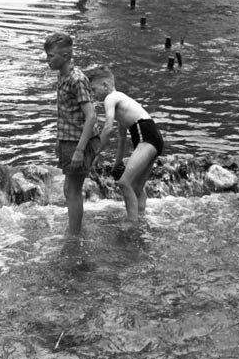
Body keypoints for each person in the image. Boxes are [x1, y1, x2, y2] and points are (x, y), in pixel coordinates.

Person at [88, 65, 164, 223]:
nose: (93, 95)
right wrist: (117, 163)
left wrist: (94, 152)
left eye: (93, 90)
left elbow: (108, 128)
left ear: (105, 86)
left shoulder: (111, 98)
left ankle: (131, 222)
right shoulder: (123, 103)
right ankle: (141, 218)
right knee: (136, 187)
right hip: (153, 138)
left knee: (124, 182)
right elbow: (122, 137)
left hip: (146, 137)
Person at [44, 32, 99, 234]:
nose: (47, 60)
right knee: (69, 189)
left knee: (73, 190)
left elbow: (91, 116)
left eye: (50, 56)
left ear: (65, 56)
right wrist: (60, 141)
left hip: (80, 142)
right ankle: (74, 230)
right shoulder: (63, 76)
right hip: (69, 140)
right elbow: (66, 113)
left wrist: (79, 150)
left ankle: (75, 235)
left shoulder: (77, 79)